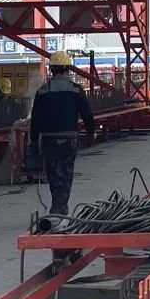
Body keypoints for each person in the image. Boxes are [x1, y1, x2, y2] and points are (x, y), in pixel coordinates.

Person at [30, 51, 96, 215]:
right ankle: (61, 206)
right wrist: (91, 132)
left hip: (49, 139)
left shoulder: (42, 91)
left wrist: (34, 140)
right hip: (69, 138)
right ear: (68, 69)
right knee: (66, 173)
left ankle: (57, 205)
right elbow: (87, 114)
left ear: (51, 69)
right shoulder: (76, 90)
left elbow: (35, 119)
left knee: (53, 173)